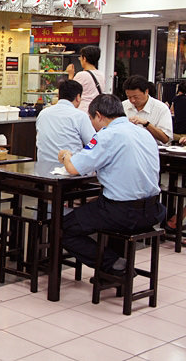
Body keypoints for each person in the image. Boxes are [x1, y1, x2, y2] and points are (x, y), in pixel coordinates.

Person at [58, 94, 165, 275]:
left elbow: (74, 168)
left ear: (98, 115)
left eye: (91, 119)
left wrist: (66, 156)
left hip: (122, 212)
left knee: (62, 228)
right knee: (98, 210)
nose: (92, 125)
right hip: (153, 210)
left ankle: (113, 264)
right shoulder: (143, 133)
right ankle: (112, 271)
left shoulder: (106, 136)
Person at [36, 80, 96, 163]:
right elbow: (93, 144)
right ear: (78, 97)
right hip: (69, 169)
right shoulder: (80, 116)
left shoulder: (43, 114)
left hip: (42, 168)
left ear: (58, 95)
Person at [122, 74, 172, 144]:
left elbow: (165, 139)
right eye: (129, 97)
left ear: (146, 92)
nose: (132, 100)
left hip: (152, 151)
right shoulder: (123, 106)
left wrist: (146, 124)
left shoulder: (161, 108)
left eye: (136, 97)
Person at [65, 45, 105, 113]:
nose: (80, 59)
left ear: (84, 58)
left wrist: (70, 75)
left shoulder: (81, 75)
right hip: (96, 111)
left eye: (80, 57)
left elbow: (70, 92)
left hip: (84, 110)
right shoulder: (101, 74)